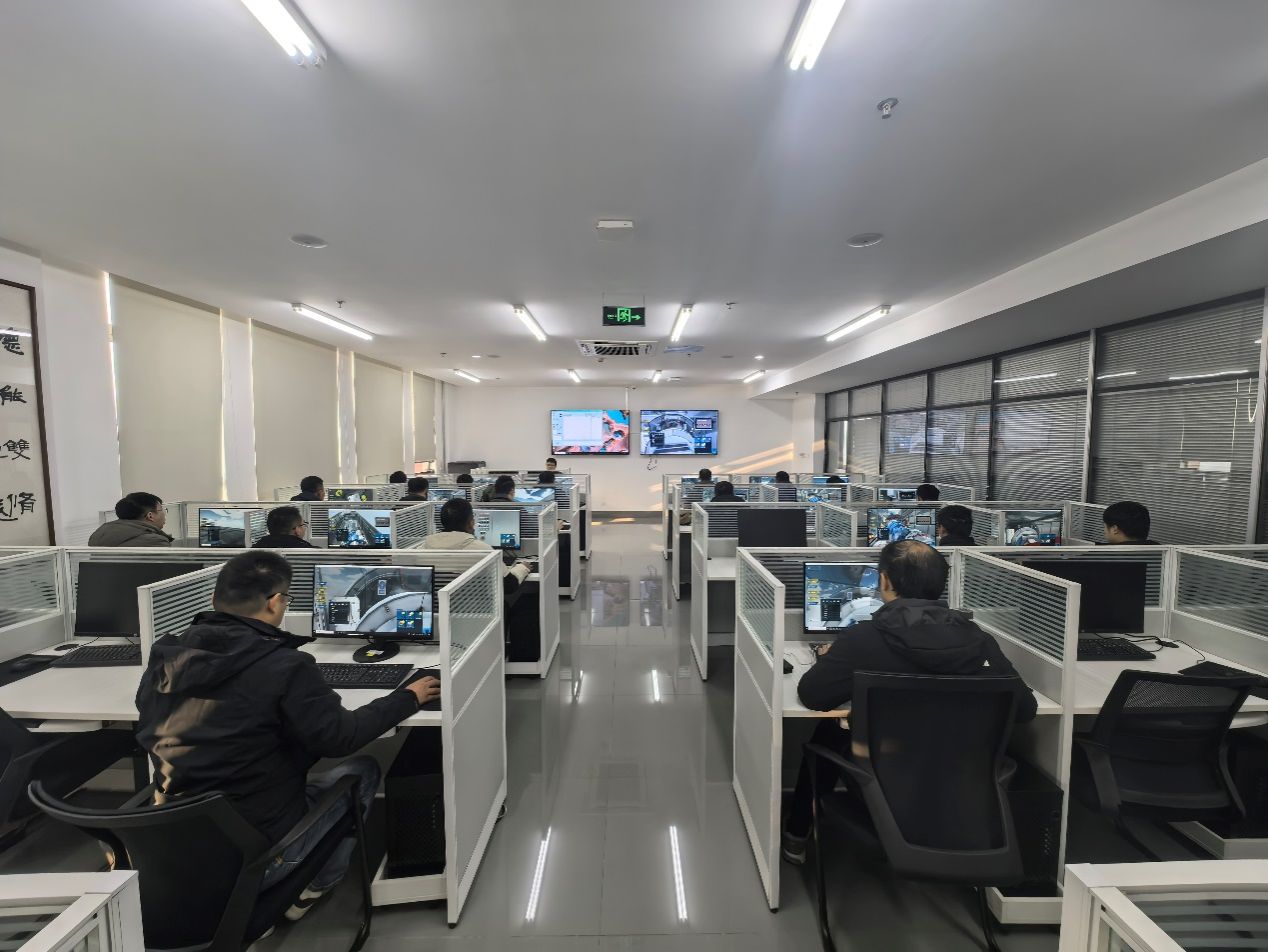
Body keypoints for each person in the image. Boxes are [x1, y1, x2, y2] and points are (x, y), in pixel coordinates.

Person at [136, 552, 439, 920]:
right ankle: (307, 891)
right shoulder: (284, 665)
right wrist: (407, 697)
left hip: (169, 848)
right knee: (361, 771)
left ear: (215, 598)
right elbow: (340, 738)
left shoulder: (167, 654)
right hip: (255, 858)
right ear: (275, 602)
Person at [782, 541, 1037, 865]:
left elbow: (812, 696)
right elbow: (1025, 710)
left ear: (884, 581)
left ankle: (797, 837)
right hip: (961, 778)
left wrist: (830, 660)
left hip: (880, 772)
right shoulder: (979, 640)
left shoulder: (864, 639)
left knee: (830, 731)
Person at [89, 492, 173, 547]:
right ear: (150, 516)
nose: (164, 513)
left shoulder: (98, 535)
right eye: (162, 510)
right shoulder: (156, 542)